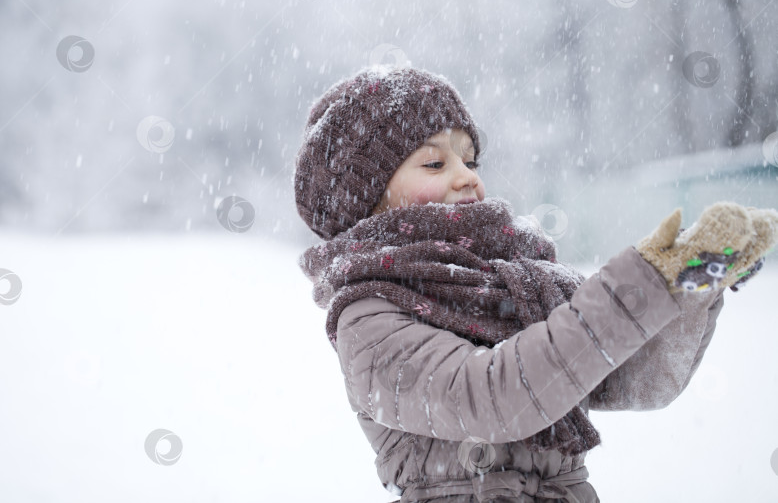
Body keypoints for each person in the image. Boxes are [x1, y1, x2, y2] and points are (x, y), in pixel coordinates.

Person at [293, 65, 778, 502]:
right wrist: (640, 281)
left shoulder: (517, 283)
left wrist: (688, 281)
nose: (467, 178)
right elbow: (494, 397)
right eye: (435, 163)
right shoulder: (368, 315)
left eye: (470, 160)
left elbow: (631, 377)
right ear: (369, 202)